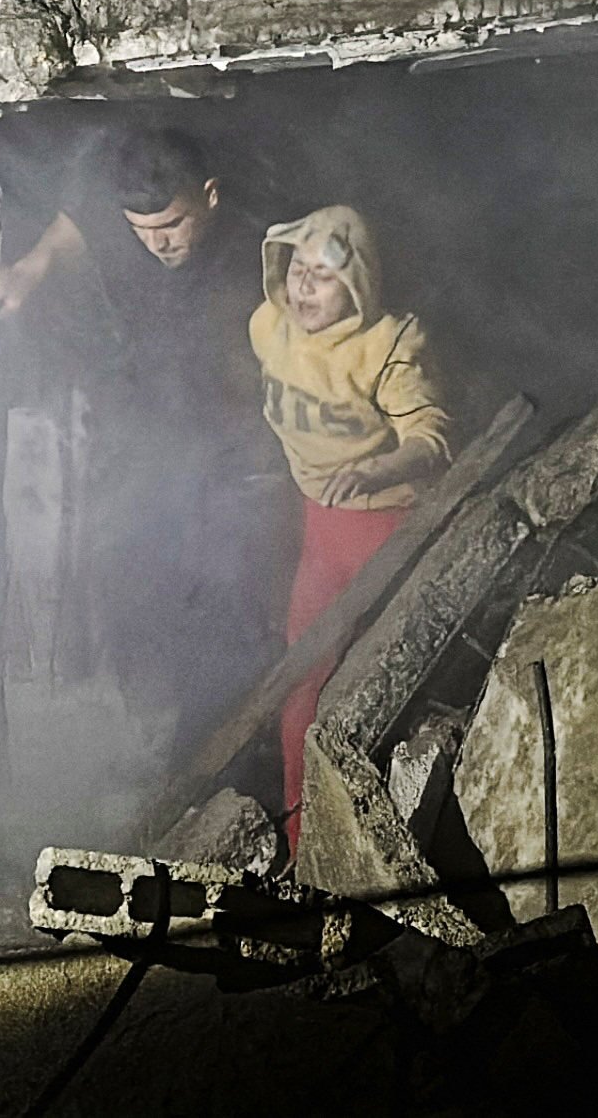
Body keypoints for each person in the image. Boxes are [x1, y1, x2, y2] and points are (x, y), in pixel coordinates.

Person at [0, 126, 282, 735]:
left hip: (228, 462)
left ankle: (233, 736)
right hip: (143, 449)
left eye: (173, 225)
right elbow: (77, 223)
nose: (159, 242)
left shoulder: (258, 248)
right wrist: (26, 272)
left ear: (210, 195)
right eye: (143, 229)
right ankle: (153, 739)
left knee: (229, 612)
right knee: (139, 601)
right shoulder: (126, 230)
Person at [251, 205, 452, 853]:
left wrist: (375, 470)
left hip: (386, 528)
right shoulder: (268, 327)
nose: (305, 287)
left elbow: (432, 435)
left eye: (325, 276)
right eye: (298, 271)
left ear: (359, 284)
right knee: (303, 681)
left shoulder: (390, 344)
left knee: (385, 678)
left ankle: (383, 839)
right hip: (321, 528)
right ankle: (301, 839)